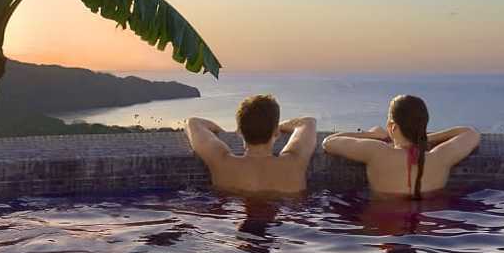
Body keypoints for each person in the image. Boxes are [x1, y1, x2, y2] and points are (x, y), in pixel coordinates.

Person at [322, 94, 480, 199]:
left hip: (383, 226)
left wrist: (373, 135)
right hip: (429, 230)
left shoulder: (376, 152)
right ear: (424, 125)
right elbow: (470, 133)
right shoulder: (441, 157)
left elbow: (328, 142)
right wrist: (423, 139)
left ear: (392, 126)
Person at [185, 94, 317, 195]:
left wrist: (222, 132)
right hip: (285, 229)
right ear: (276, 132)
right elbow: (307, 122)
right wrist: (273, 127)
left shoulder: (221, 161)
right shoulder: (295, 162)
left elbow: (193, 123)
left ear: (239, 131)